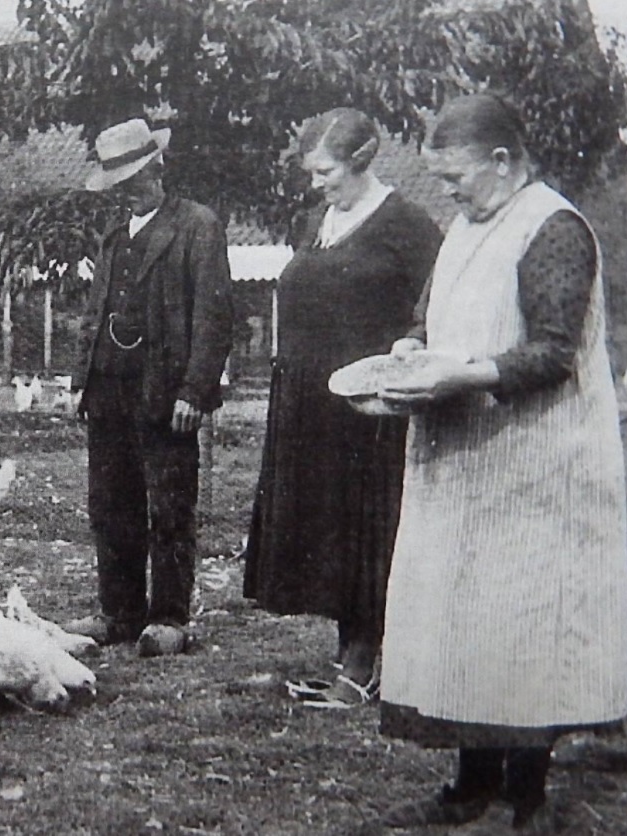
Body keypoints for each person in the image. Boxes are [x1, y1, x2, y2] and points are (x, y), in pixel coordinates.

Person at [374, 94, 627, 832]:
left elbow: (553, 351)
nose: (447, 191)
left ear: (501, 160)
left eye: (454, 177)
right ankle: (470, 784)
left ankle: (527, 795)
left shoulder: (552, 227)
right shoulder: (466, 227)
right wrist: (410, 348)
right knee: (465, 622)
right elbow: (433, 313)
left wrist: (463, 376)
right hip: (466, 457)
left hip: (538, 460)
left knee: (523, 624)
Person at [241, 108, 442, 706]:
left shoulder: (407, 224)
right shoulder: (313, 222)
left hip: (365, 408)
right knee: (324, 527)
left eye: (325, 171)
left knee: (364, 528)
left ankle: (366, 661)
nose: (316, 183)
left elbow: (435, 305)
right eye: (311, 172)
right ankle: (346, 652)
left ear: (361, 160)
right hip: (307, 402)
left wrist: (411, 345)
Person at [63, 117, 234, 657]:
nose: (127, 191)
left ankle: (169, 617)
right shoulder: (114, 238)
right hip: (109, 390)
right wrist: (81, 380)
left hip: (165, 392)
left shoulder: (197, 227)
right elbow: (94, 313)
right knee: (110, 503)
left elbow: (213, 317)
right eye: (118, 184)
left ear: (158, 169)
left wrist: (195, 390)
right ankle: (118, 611)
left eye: (135, 179)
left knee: (169, 504)